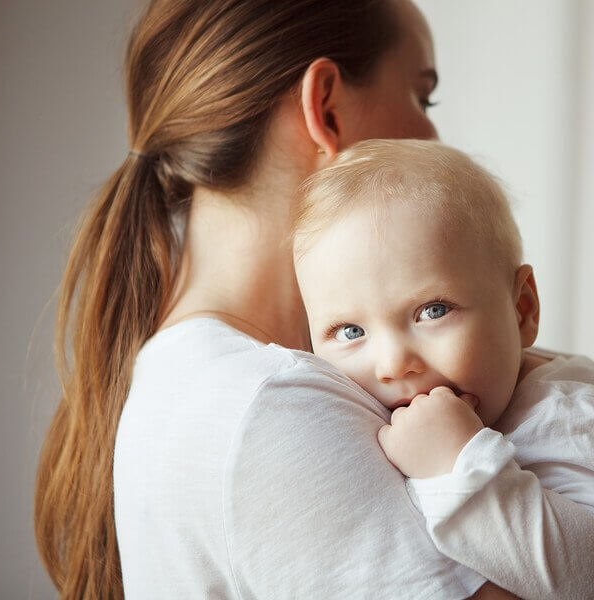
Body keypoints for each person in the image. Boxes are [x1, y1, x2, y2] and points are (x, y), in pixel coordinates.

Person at [34, 0, 518, 598]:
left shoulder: (191, 374)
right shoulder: (270, 405)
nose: (434, 136)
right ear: (327, 109)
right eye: (423, 97)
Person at [292, 139, 594, 599]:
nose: (393, 364)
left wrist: (455, 467)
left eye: (433, 310)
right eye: (351, 332)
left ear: (522, 308)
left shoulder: (573, 412)